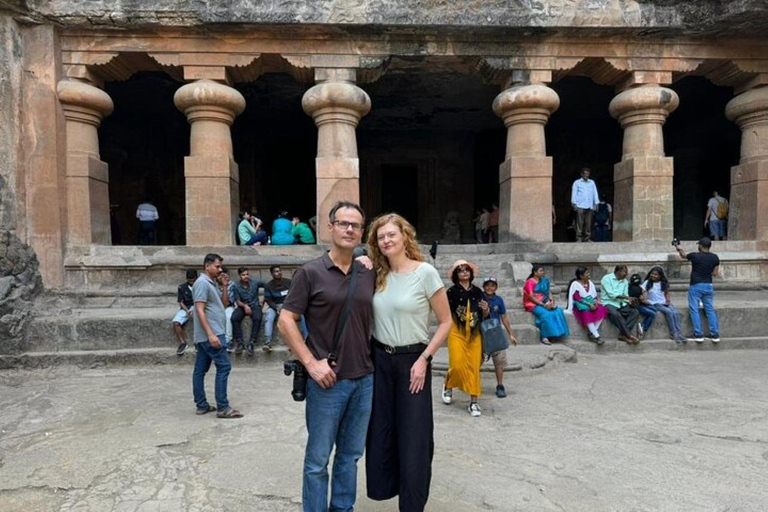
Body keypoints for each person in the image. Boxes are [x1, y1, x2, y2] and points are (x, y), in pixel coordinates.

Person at [278, 201, 375, 512]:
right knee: (318, 460)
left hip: (364, 378)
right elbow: (285, 320)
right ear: (330, 227)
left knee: (350, 456)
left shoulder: (367, 270)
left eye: (356, 225)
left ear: (362, 232)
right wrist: (310, 362)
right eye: (343, 223)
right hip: (327, 382)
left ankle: (342, 509)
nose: (349, 229)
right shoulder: (311, 272)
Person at [365, 213, 452, 512]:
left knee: (414, 437)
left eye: (392, 234)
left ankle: (412, 506)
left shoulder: (424, 272)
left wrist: (424, 359)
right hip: (379, 360)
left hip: (413, 361)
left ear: (405, 237)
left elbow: (446, 322)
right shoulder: (376, 273)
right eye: (380, 237)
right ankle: (385, 488)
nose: (386, 240)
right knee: (380, 431)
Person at [192, 253, 242, 419]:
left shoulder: (211, 283)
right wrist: (211, 334)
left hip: (209, 334)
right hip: (212, 334)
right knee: (224, 366)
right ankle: (223, 407)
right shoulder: (201, 283)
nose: (220, 269)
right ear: (207, 266)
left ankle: (202, 405)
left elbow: (224, 304)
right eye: (217, 266)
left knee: (200, 369)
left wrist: (225, 286)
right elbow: (199, 309)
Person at [442, 259, 488, 417]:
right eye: (461, 270)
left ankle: (474, 403)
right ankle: (448, 383)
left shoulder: (477, 291)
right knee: (457, 365)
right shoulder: (451, 292)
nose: (464, 272)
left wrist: (486, 309)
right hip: (456, 331)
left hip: (475, 333)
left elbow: (485, 314)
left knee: (474, 368)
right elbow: (444, 313)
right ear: (456, 275)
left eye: (467, 270)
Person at [675, 237, 720, 343]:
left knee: (694, 309)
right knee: (709, 309)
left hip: (696, 285)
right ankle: (715, 334)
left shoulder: (695, 256)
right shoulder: (715, 257)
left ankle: (698, 334)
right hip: (709, 285)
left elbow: (683, 255)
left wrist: (678, 248)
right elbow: (715, 273)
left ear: (701, 246)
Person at [481, 276, 518, 398]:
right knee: (476, 361)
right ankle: (472, 384)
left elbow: (504, 317)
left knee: (499, 361)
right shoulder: (479, 298)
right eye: (487, 285)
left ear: (496, 287)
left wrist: (511, 334)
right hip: (481, 332)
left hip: (496, 333)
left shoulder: (499, 300)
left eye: (492, 285)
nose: (489, 288)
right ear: (484, 287)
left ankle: (500, 385)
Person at [263, 265, 308, 351]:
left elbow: (295, 295)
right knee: (268, 315)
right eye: (276, 271)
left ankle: (306, 339)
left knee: (302, 314)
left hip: (289, 305)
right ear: (272, 274)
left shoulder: (289, 282)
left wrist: (287, 306)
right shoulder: (268, 286)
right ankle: (267, 342)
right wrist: (276, 308)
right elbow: (268, 300)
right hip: (275, 306)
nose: (279, 273)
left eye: (279, 271)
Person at [523, 264, 570, 345]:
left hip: (545, 301)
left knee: (558, 311)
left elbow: (548, 292)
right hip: (532, 303)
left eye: (543, 271)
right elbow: (530, 296)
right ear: (535, 272)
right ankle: (544, 336)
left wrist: (551, 301)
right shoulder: (530, 282)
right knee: (546, 314)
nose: (542, 272)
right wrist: (542, 304)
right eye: (540, 271)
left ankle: (554, 335)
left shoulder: (545, 280)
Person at [642, 266, 688, 344]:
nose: (653, 275)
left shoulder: (663, 283)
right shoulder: (647, 282)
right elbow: (642, 292)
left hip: (664, 302)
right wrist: (645, 301)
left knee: (675, 312)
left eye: (655, 274)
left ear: (660, 276)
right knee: (668, 312)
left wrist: (668, 300)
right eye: (652, 274)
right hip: (654, 303)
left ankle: (679, 333)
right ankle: (673, 333)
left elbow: (666, 293)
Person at [565, 266, 608, 345]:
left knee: (602, 309)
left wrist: (594, 303)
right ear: (581, 276)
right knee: (586, 312)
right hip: (580, 305)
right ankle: (597, 336)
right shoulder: (575, 284)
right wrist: (589, 304)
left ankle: (592, 332)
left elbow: (594, 295)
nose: (589, 274)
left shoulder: (590, 283)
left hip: (591, 302)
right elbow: (577, 298)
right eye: (587, 273)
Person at [599, 265, 640, 344]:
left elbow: (625, 295)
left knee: (635, 312)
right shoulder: (606, 279)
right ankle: (629, 334)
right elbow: (611, 294)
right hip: (608, 303)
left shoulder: (624, 281)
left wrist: (630, 301)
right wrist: (627, 298)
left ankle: (623, 335)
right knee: (615, 314)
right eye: (625, 272)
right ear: (618, 271)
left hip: (621, 304)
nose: (626, 274)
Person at [231, 267, 266, 356]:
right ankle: (240, 342)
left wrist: (264, 300)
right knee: (234, 318)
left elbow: (268, 286)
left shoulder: (255, 282)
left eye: (247, 274)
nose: (246, 276)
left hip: (255, 305)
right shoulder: (236, 285)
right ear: (239, 276)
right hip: (242, 305)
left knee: (258, 317)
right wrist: (245, 306)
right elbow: (237, 300)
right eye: (243, 275)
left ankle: (252, 342)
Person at [172, 269, 198, 355]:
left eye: (193, 279)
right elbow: (180, 301)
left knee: (199, 320)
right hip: (186, 308)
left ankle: (197, 342)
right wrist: (187, 311)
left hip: (197, 307)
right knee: (176, 322)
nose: (191, 281)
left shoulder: (200, 286)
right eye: (189, 279)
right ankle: (183, 343)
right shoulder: (182, 287)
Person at [570, 167, 599, 242]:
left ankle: (587, 238)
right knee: (580, 223)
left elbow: (595, 193)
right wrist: (574, 203)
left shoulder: (592, 182)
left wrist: (596, 203)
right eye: (585, 174)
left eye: (588, 174)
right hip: (580, 205)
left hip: (589, 205)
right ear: (581, 174)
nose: (586, 176)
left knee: (588, 223)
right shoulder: (577, 182)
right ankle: (579, 238)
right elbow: (574, 193)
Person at [628, 273, 657, 339]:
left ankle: (642, 326)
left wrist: (643, 298)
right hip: (636, 306)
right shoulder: (631, 287)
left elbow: (642, 299)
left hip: (641, 304)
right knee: (652, 314)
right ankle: (643, 327)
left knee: (654, 309)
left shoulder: (638, 287)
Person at [220, 267, 236, 350]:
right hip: (216, 307)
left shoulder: (232, 285)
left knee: (228, 316)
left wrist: (225, 286)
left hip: (228, 306)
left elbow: (225, 303)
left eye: (226, 276)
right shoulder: (213, 284)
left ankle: (228, 340)